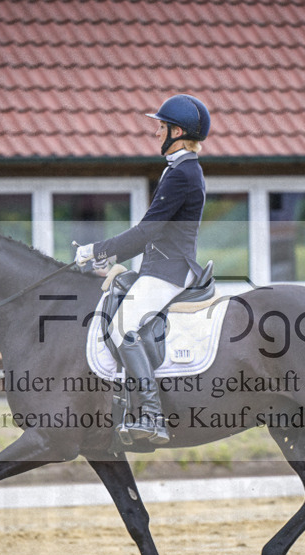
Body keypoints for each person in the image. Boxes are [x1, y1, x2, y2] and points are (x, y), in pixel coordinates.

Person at [76, 94, 210, 444]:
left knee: (123, 328)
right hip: (159, 265)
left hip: (169, 271)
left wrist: (96, 250)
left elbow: (148, 231)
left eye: (161, 127)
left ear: (177, 131)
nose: (156, 133)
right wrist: (111, 257)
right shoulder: (179, 169)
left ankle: (151, 415)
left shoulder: (183, 173)